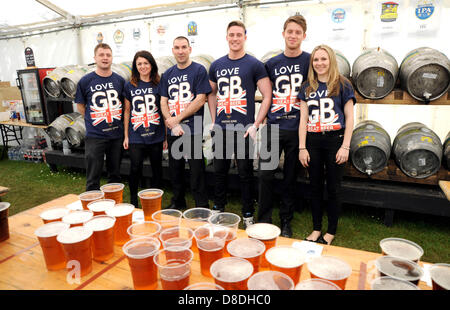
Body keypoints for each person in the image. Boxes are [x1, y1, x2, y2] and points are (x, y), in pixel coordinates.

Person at [208, 20, 272, 228]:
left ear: (245, 37)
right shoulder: (216, 65)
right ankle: (218, 208)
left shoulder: (254, 64)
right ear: (226, 37)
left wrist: (256, 122)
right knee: (220, 171)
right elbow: (211, 93)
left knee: (245, 173)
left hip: (244, 130)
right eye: (231, 35)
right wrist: (214, 119)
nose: (235, 38)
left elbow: (267, 94)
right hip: (223, 128)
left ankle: (247, 213)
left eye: (238, 35)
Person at [298, 44, 355, 245]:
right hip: (313, 141)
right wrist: (302, 147)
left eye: (323, 59)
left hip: (335, 140)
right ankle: (316, 228)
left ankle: (331, 231)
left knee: (333, 187)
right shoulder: (307, 86)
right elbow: (303, 119)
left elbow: (349, 118)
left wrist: (345, 146)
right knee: (314, 186)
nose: (319, 63)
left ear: (331, 60)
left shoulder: (343, 84)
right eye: (316, 60)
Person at [258, 15, 310, 237]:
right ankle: (264, 220)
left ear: (304, 36)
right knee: (265, 175)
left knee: (290, 177)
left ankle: (286, 221)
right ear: (283, 34)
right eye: (290, 31)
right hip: (274, 127)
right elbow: (265, 93)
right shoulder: (271, 64)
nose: (293, 35)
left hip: (297, 128)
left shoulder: (310, 61)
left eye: (298, 32)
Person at [160, 36, 211, 210]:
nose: (180, 51)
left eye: (183, 47)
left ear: (190, 49)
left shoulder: (198, 70)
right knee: (175, 168)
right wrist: (172, 124)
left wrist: (177, 119)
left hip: (193, 127)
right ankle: (178, 200)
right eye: (177, 47)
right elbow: (163, 101)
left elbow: (200, 99)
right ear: (172, 50)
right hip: (174, 129)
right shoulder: (167, 74)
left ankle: (201, 204)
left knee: (197, 169)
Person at [75, 43, 125, 191]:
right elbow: (80, 106)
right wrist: (94, 120)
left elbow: (124, 106)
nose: (105, 58)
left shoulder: (120, 80)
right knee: (93, 176)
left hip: (116, 135)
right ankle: (92, 208)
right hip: (95, 135)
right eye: (101, 55)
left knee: (115, 175)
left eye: (108, 55)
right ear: (95, 58)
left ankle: (114, 205)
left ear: (112, 58)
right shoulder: (85, 81)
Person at [123, 50, 166, 208]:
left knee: (157, 168)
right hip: (136, 134)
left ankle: (155, 200)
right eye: (139, 64)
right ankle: (133, 200)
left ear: (151, 64)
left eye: (145, 63)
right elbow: (127, 111)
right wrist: (126, 136)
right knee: (135, 168)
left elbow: (163, 111)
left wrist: (166, 137)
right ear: (135, 66)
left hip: (156, 133)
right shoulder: (130, 85)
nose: (143, 66)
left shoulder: (159, 84)